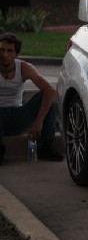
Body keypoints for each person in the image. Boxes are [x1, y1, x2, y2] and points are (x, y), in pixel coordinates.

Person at [0, 32, 62, 163]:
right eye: (2, 50)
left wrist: (38, 121)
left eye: (9, 51)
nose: (4, 54)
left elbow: (50, 91)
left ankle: (46, 147)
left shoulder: (23, 68)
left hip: (17, 115)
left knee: (45, 96)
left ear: (16, 54)